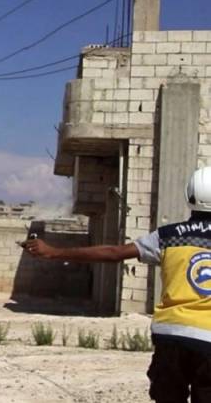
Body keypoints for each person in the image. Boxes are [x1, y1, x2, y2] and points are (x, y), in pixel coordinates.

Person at [24, 166, 211, 403]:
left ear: (189, 195)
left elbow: (114, 252)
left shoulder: (169, 236)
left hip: (172, 334)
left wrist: (53, 252)